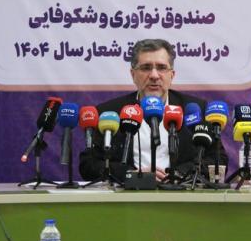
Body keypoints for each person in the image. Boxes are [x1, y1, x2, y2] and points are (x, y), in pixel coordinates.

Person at [79, 38, 228, 183]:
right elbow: (88, 165)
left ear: (172, 75)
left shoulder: (196, 110)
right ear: (133, 75)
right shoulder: (109, 112)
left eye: (162, 68)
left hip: (180, 192)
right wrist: (130, 175)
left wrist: (178, 175)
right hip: (128, 194)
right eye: (146, 68)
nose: (154, 76)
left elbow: (218, 159)